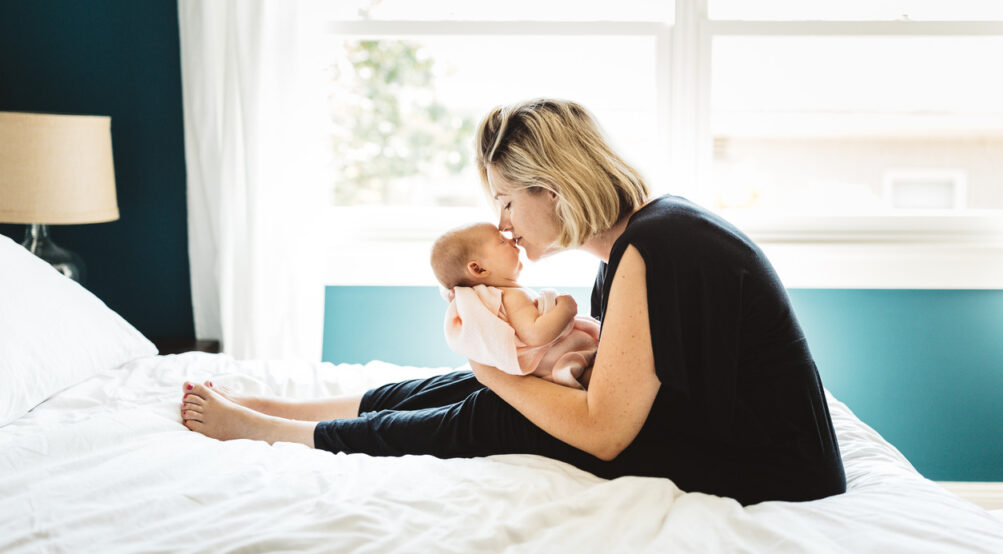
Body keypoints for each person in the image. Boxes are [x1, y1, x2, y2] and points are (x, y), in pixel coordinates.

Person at [180, 98, 847, 506]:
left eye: (505, 198)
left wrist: (491, 369)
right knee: (485, 388)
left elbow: (605, 433)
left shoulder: (656, 246)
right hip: (729, 433)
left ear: (550, 188)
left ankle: (282, 433)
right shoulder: (642, 243)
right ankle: (284, 412)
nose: (501, 223)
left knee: (494, 411)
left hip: (771, 467)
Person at [430, 222, 599, 389]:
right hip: (558, 361)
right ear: (478, 269)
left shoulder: (491, 302)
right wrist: (566, 308)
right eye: (502, 241)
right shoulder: (511, 297)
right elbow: (535, 334)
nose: (512, 241)